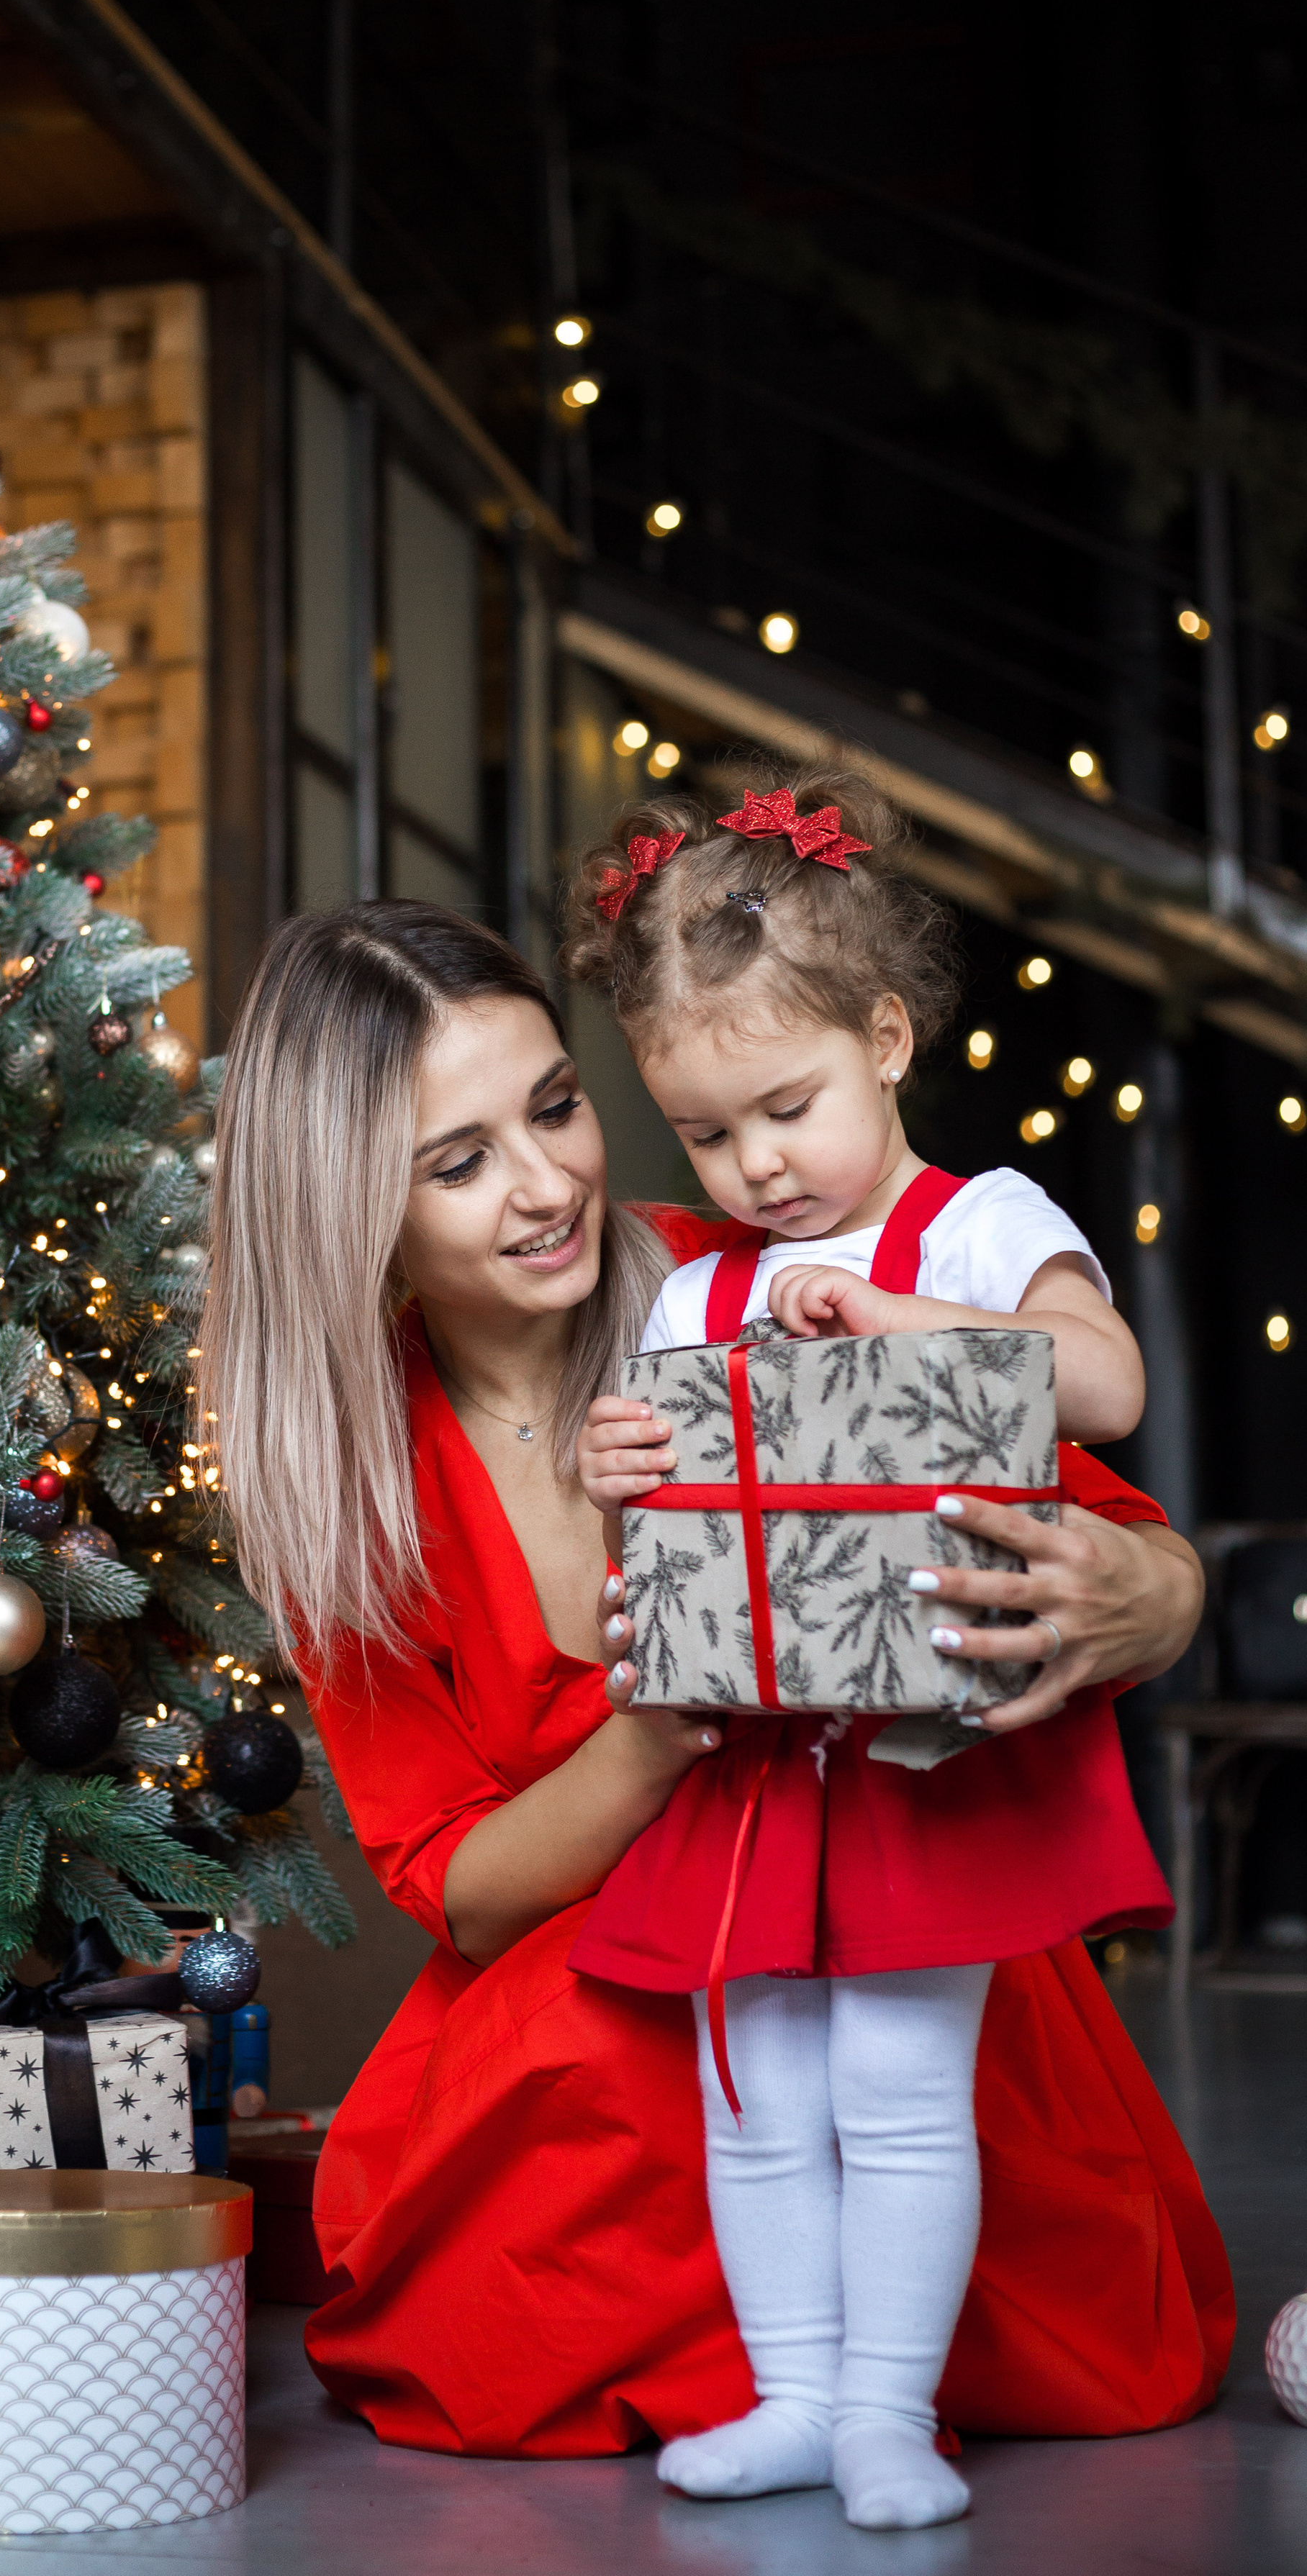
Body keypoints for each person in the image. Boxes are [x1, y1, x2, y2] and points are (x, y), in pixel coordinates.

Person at [198, 896, 1231, 2467]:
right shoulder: (351, 1485)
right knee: (628, 2047)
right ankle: (795, 2388)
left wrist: (1145, 1599)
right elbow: (462, 1892)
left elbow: (1098, 1517)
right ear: (351, 1212)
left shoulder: (747, 1276)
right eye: (458, 1161)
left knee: (893, 2083)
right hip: (599, 1961)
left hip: (881, 1891)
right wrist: (664, 1725)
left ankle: (851, 2390)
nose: (548, 1185)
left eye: (554, 1107)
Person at [568, 771, 1190, 2530]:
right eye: (702, 1136)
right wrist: (621, 1472)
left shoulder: (979, 1224)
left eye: (785, 1107)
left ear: (887, 1038)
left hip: (931, 1760)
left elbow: (1108, 1387)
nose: (754, 1166)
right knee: (753, 2088)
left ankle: (886, 2417)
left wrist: (905, 1313)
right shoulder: (694, 1293)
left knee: (903, 2085)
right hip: (757, 1764)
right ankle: (792, 2394)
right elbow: (676, 1522)